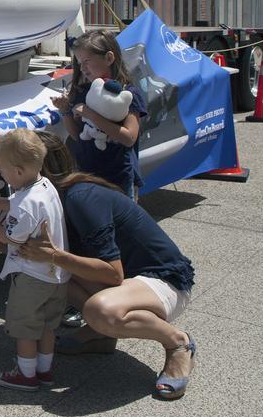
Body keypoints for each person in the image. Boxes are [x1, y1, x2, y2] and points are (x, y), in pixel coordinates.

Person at [18, 137, 199, 401]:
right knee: (49, 274)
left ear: (36, 169)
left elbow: (113, 273)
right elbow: (27, 256)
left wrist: (55, 256)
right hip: (129, 283)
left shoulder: (80, 197)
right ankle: (98, 335)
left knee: (100, 310)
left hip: (164, 281)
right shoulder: (49, 199)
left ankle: (178, 343)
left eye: (11, 166)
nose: (3, 174)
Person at [0, 128, 70, 392]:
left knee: (25, 327)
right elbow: (21, 204)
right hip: (57, 276)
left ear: (18, 172)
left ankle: (25, 374)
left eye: (2, 169)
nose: (1, 173)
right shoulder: (43, 186)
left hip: (32, 277)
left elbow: (16, 238)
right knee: (46, 326)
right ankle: (44, 370)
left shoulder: (25, 204)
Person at [51, 30, 146, 199]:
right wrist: (65, 110)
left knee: (120, 224)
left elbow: (129, 137)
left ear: (109, 58)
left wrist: (91, 114)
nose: (82, 67)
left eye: (86, 61)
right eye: (79, 62)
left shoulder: (128, 94)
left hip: (118, 178)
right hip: (86, 175)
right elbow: (77, 135)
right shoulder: (83, 93)